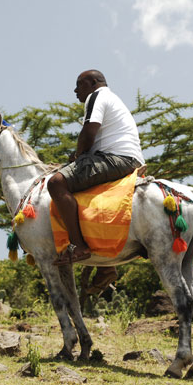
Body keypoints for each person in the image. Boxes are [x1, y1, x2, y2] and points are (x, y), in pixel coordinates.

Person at [47, 70, 145, 266]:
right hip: (130, 159)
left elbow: (89, 132)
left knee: (56, 183)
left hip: (115, 158)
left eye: (79, 84)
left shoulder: (96, 96)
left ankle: (78, 245)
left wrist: (77, 155)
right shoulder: (113, 99)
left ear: (92, 83)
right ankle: (106, 267)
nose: (75, 90)